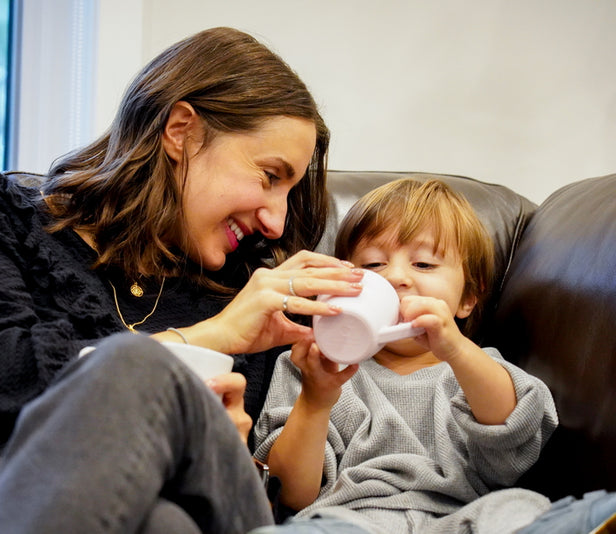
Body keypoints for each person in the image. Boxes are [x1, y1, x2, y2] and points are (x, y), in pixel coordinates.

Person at [0, 27, 364, 534]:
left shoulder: (241, 290)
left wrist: (231, 448)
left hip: (175, 490)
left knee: (170, 519)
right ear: (182, 131)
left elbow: (242, 482)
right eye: (270, 176)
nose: (277, 223)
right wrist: (212, 337)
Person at [251, 179, 616, 533]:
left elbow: (514, 437)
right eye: (374, 266)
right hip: (352, 518)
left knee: (521, 506)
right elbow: (292, 494)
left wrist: (456, 349)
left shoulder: (478, 369)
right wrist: (315, 401)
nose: (396, 277)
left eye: (423, 265)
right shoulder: (313, 366)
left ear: (468, 299)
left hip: (465, 519)